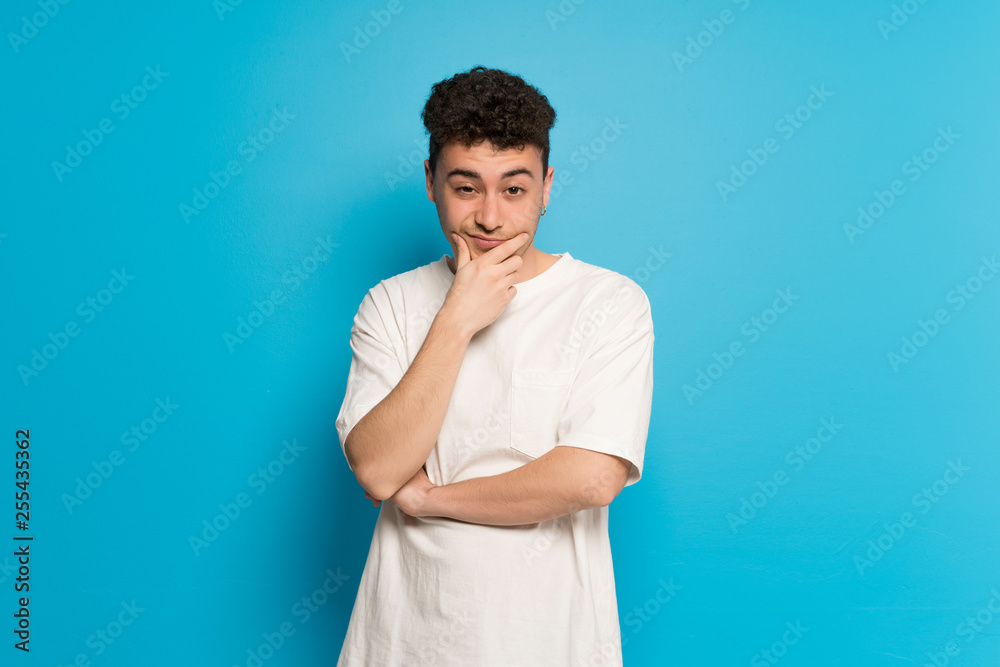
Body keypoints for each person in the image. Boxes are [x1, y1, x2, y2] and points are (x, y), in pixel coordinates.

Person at [334, 65, 655, 666]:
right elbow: (378, 470)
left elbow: (591, 477)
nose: (489, 217)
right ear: (430, 182)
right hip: (403, 642)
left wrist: (432, 500)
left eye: (513, 189)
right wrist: (457, 317)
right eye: (466, 188)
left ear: (547, 185)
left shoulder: (609, 303)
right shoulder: (390, 304)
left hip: (549, 643)